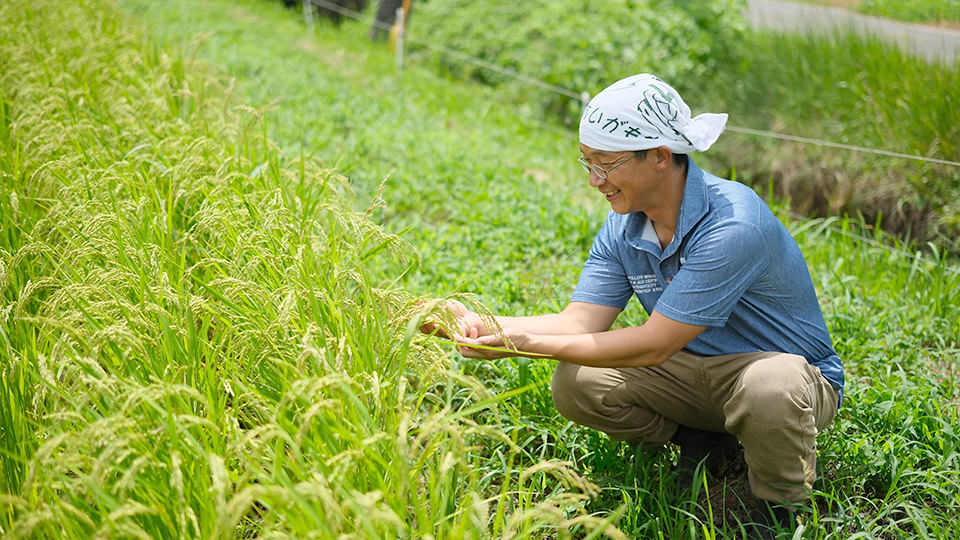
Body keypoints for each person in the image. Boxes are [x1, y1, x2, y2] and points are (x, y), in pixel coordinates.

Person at [421, 73, 843, 536]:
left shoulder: (732, 223)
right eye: (587, 163)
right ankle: (702, 440)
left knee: (770, 387)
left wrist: (522, 342)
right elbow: (579, 320)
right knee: (577, 380)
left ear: (661, 156)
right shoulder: (624, 227)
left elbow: (653, 345)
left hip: (782, 374)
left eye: (606, 164)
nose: (593, 180)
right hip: (691, 372)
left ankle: (780, 509)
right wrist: (484, 324)